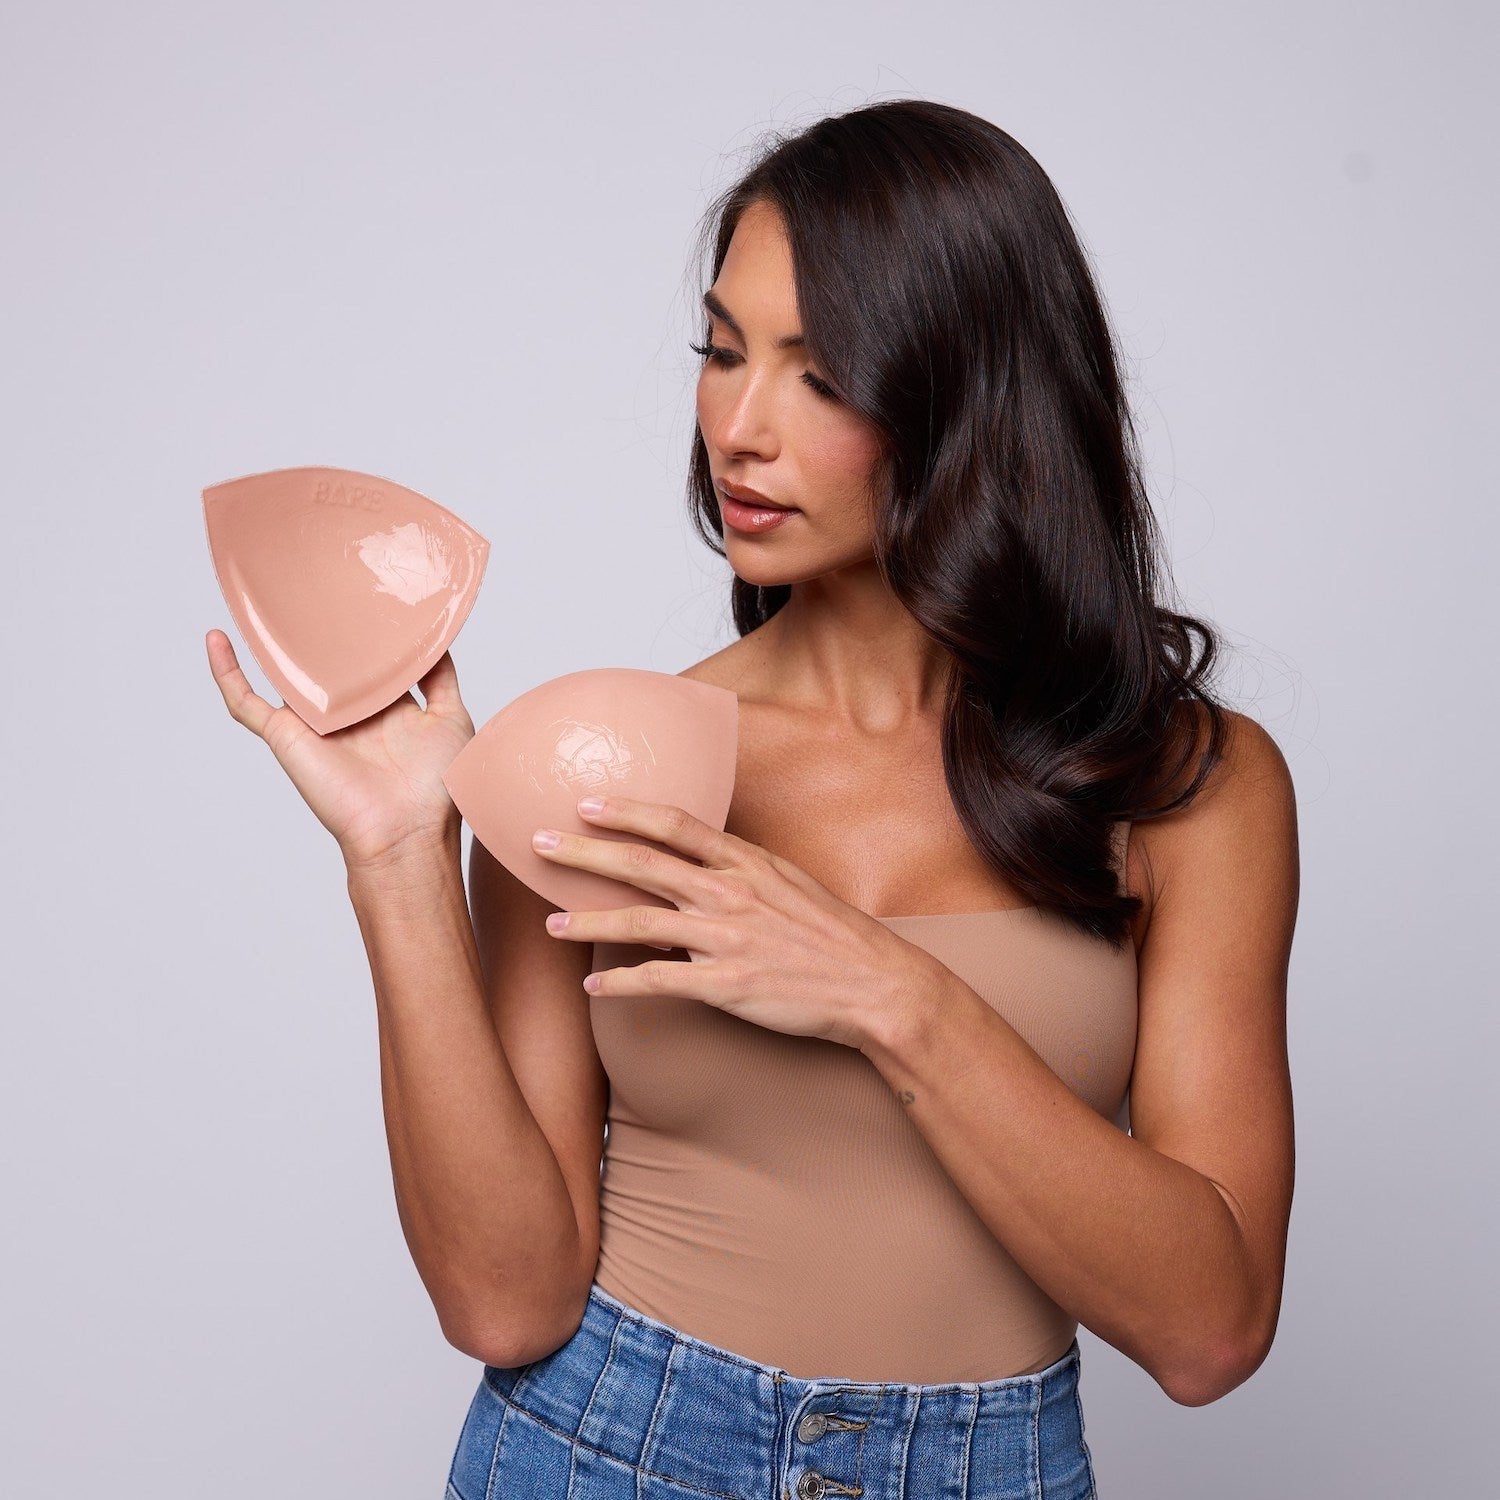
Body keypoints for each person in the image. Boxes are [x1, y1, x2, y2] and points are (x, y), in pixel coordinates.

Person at [206, 98, 1297, 1500]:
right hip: (607, 1451)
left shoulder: (1185, 787)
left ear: (973, 396)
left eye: (822, 374)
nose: (740, 425)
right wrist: (400, 852)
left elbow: (1211, 1330)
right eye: (722, 353)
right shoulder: (602, 763)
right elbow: (505, 1304)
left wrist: (886, 994)